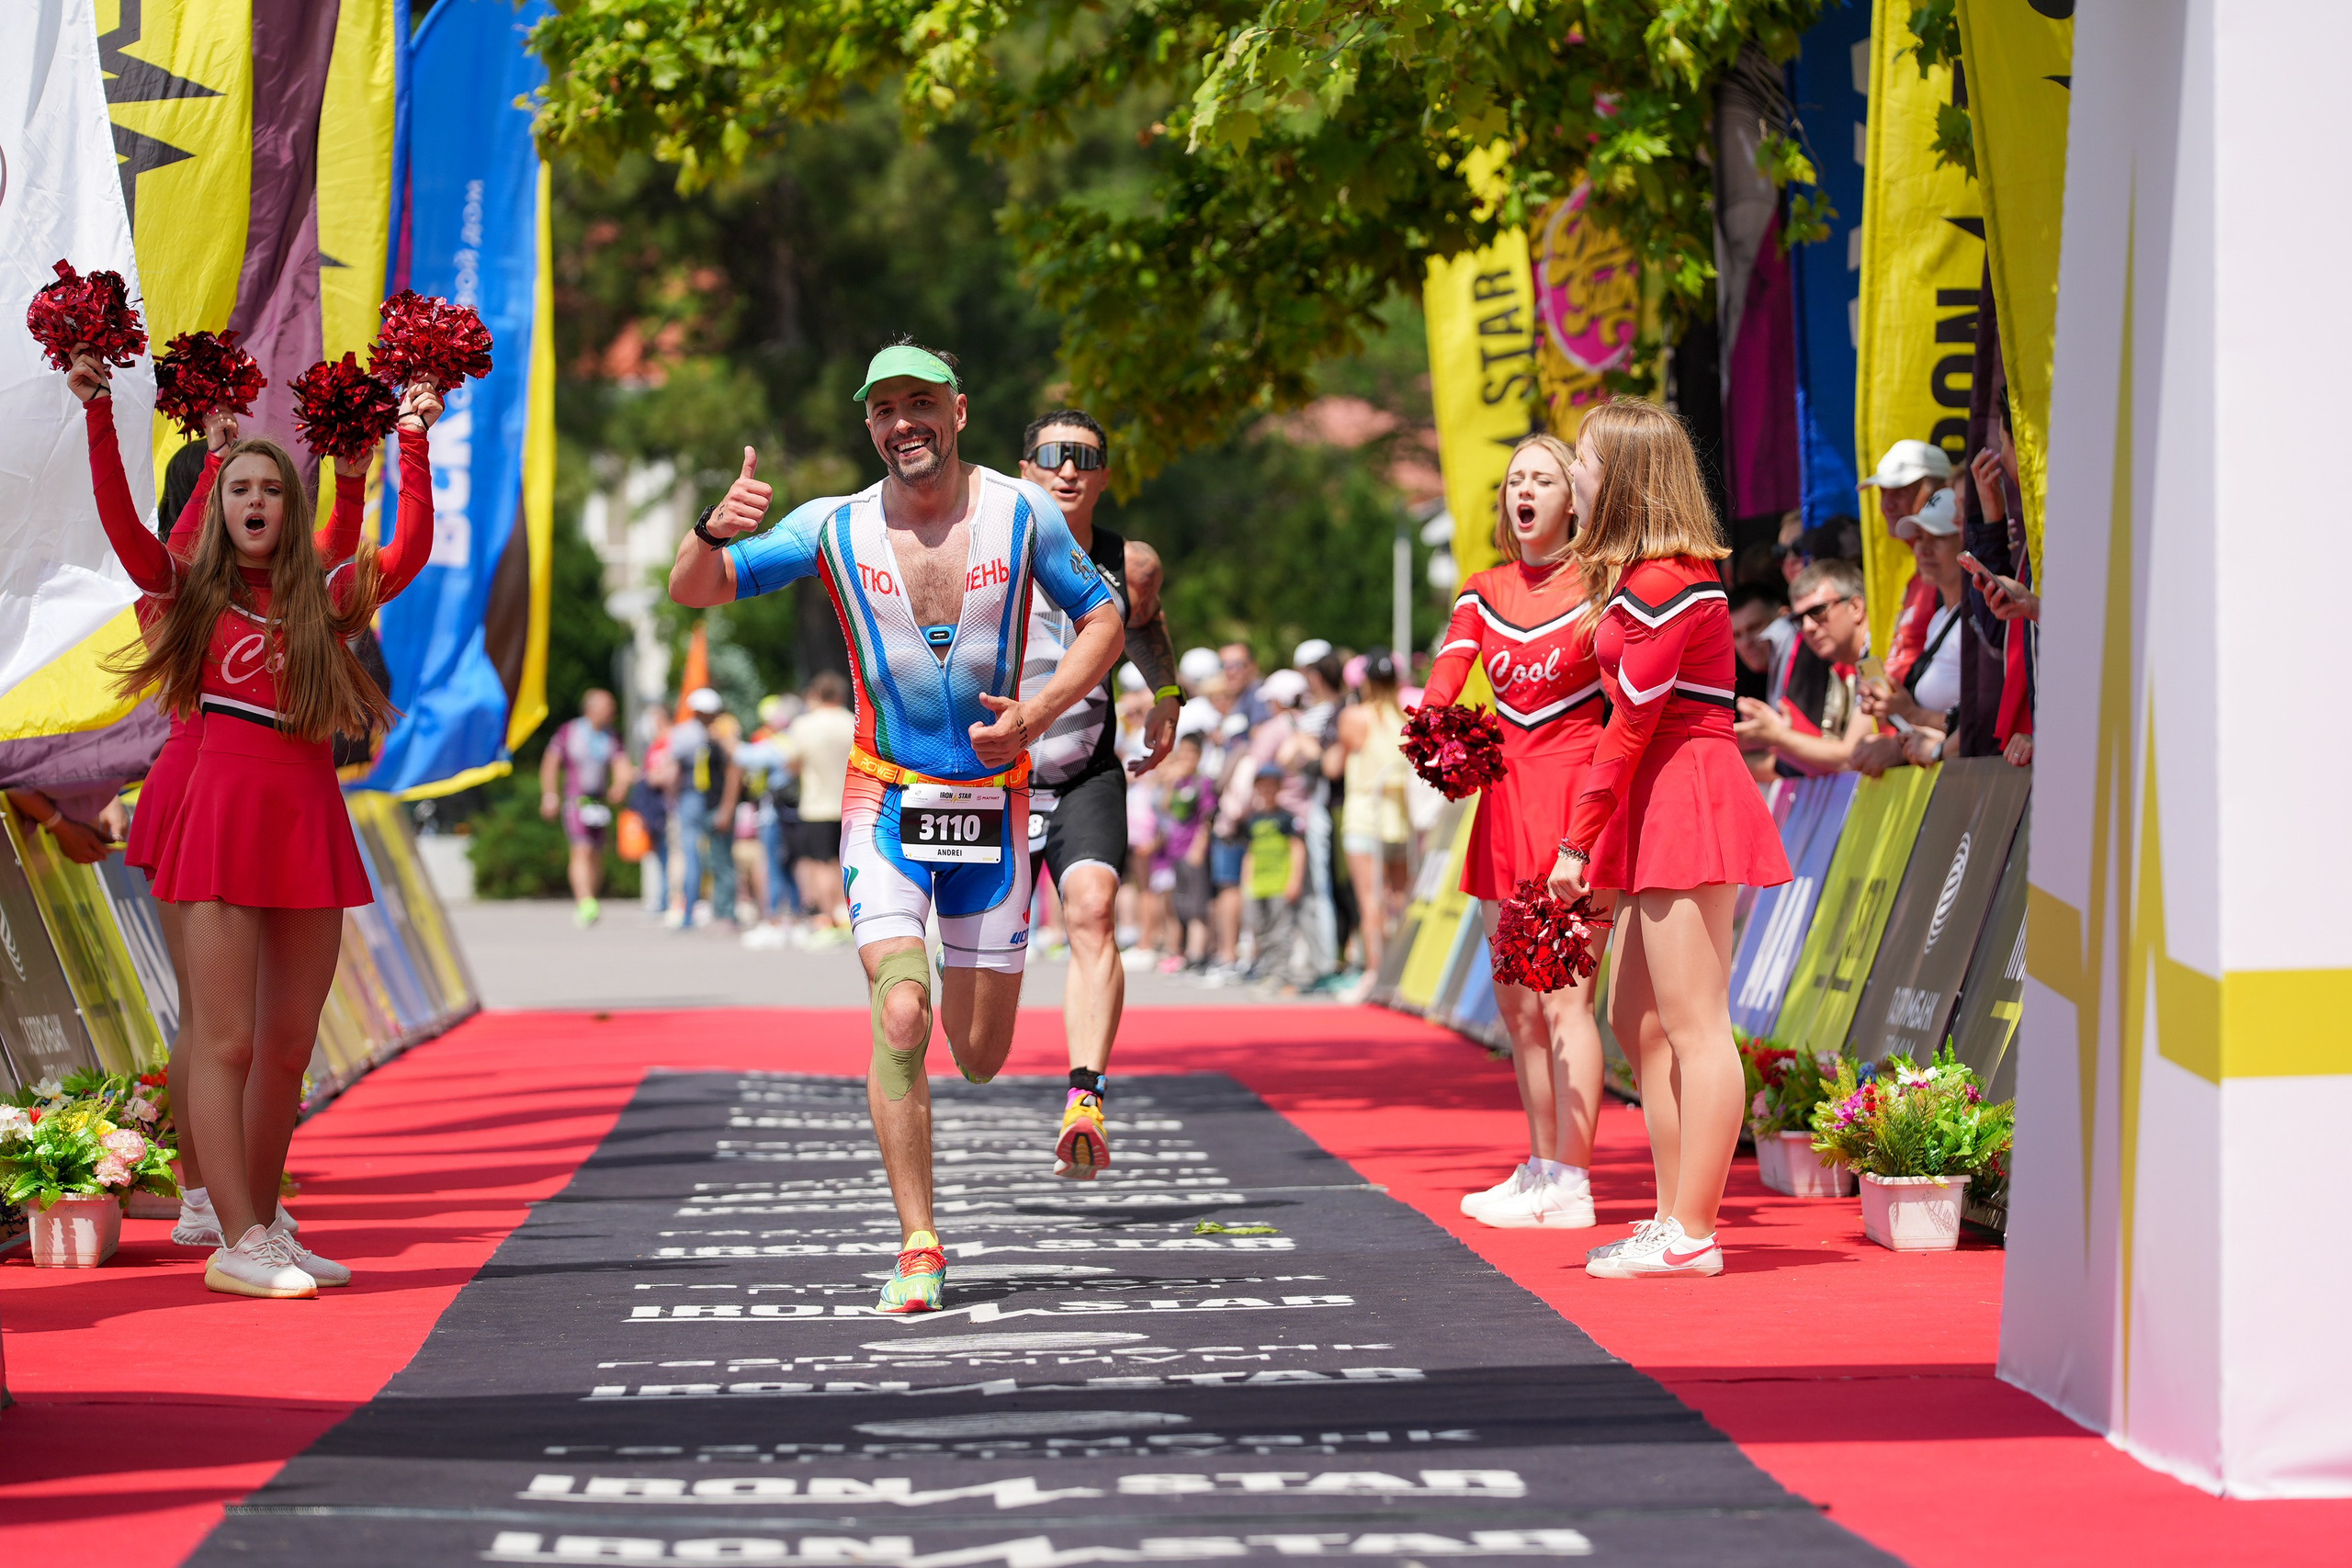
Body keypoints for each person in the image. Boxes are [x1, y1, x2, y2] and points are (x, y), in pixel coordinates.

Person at [669, 338, 1122, 1314]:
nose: (901, 423)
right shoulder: (831, 526)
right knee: (901, 1009)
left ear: (958, 412)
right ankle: (919, 1242)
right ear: (867, 424)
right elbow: (693, 591)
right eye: (883, 409)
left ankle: (992, 1063)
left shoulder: (1021, 511)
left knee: (982, 1055)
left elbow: (1107, 617)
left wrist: (1038, 717)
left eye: (920, 403)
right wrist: (709, 532)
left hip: (995, 808)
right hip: (884, 797)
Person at [73, 344, 437, 1299]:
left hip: (306, 822)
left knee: (285, 1048)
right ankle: (233, 1232)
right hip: (218, 820)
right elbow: (128, 530)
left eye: (272, 489)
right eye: (239, 489)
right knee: (223, 1039)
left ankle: (264, 1218)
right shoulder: (188, 599)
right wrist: (103, 415)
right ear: (220, 506)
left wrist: (406, 446)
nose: (256, 502)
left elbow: (401, 552)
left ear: (293, 504)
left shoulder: (321, 605)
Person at [1545, 400, 1790, 1280]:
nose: (1573, 471)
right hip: (1657, 793)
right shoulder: (1639, 576)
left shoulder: (1669, 581)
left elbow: (1630, 725)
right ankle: (1670, 1216)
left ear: (1622, 475)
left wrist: (1577, 842)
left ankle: (1692, 1228)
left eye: (1581, 459)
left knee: (1693, 1022)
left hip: (1684, 788)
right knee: (1635, 1017)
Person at [1420, 433, 1606, 1230]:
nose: (1523, 490)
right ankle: (1540, 1165)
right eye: (1515, 479)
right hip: (1502, 809)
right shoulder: (1483, 588)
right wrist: (1435, 731)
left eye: (1543, 478)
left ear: (1573, 498)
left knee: (1568, 1001)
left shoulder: (1604, 586)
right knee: (1519, 1007)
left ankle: (1576, 1176)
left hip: (1573, 804)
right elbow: (1445, 681)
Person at [1015, 409, 1182, 1179]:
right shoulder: (984, 546)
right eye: (1051, 455)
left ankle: (1085, 1094)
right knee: (979, 984)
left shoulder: (1130, 562)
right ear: (1024, 470)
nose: (1067, 469)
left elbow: (1144, 623)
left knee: (1092, 910)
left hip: (1085, 769)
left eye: (1084, 458)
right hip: (995, 780)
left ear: (1105, 477)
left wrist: (1169, 695)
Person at [1858, 488, 1973, 770]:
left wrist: (1910, 712)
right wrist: (1896, 707)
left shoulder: (1978, 624)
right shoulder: (1941, 619)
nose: (1923, 548)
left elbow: (1982, 722)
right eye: (1919, 537)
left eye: (1938, 538)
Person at [1734, 558, 1877, 775]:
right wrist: (1780, 739)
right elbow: (1822, 769)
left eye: (1818, 611)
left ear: (1856, 607)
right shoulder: (1853, 663)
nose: (1808, 627)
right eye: (1800, 619)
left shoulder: (1879, 652)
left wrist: (1778, 737)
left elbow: (1851, 757)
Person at [1328, 649, 1409, 987]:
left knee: (1370, 899)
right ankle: (1404, 970)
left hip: (1365, 817)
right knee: (1402, 899)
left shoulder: (1355, 716)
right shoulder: (1406, 715)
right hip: (1401, 817)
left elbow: (1333, 765)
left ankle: (1377, 972)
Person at [1858, 439, 1955, 687]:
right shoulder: (1918, 576)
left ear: (1940, 490)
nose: (1887, 504)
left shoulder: (1949, 572)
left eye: (1900, 490)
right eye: (1883, 491)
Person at [541, 689, 629, 927]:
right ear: (592, 709)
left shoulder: (611, 736)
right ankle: (585, 900)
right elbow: (550, 763)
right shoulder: (569, 732)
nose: (613, 711)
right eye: (608, 706)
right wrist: (550, 795)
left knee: (597, 853)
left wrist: (620, 785)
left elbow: (621, 763)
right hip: (576, 800)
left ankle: (592, 896)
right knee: (582, 849)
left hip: (599, 802)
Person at [783, 672, 855, 938]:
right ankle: (847, 912)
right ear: (840, 695)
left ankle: (830, 914)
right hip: (850, 802)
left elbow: (791, 763)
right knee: (846, 860)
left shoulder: (804, 725)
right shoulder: (852, 722)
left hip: (816, 805)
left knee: (823, 862)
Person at [669, 687, 741, 928]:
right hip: (701, 800)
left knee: (716, 859)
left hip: (709, 801)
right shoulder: (712, 733)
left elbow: (734, 770)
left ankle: (722, 913)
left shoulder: (722, 734)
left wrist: (728, 808)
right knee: (703, 858)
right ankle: (695, 912)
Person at [1239, 764, 1310, 987]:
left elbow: (1297, 850)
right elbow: (1250, 853)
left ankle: (1280, 974)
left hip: (1279, 883)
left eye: (1272, 785)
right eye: (1263, 786)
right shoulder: (1253, 820)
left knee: (1280, 931)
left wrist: (1294, 880)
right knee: (1260, 930)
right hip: (1258, 884)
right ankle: (1266, 970)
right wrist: (1246, 882)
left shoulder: (1287, 819)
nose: (1267, 790)